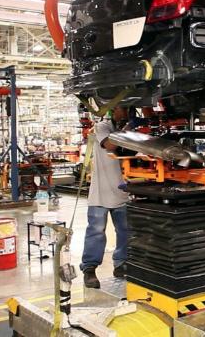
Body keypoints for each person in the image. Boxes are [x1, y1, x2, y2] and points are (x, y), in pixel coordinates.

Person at [80, 107, 131, 289]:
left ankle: (121, 264)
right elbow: (110, 145)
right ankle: (89, 269)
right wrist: (126, 130)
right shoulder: (103, 126)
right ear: (113, 110)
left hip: (122, 191)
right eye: (122, 109)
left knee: (125, 231)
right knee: (96, 232)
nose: (126, 112)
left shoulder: (129, 129)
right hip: (100, 192)